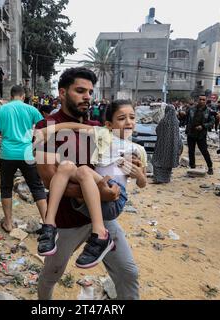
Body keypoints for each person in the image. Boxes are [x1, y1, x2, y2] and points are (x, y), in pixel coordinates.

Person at [34, 67, 140, 300]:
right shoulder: (45, 128)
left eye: (90, 92)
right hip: (66, 221)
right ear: (62, 93)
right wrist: (95, 194)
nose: (87, 97)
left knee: (128, 273)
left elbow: (116, 165)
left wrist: (129, 167)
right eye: (80, 91)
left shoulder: (98, 128)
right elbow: (50, 179)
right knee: (52, 274)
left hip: (100, 218)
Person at [35, 100, 147, 268]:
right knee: (66, 166)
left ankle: (101, 234)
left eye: (132, 117)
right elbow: (72, 126)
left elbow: (142, 183)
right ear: (109, 124)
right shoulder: (103, 134)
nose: (129, 122)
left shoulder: (138, 149)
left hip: (115, 196)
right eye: (122, 118)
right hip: (93, 192)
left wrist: (138, 175)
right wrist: (45, 131)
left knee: (84, 170)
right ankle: (49, 225)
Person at [0, 85, 48, 232]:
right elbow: (44, 132)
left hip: (7, 154)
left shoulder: (1, 110)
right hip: (27, 153)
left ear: (11, 96)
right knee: (37, 187)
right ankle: (48, 225)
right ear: (23, 96)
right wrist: (35, 148)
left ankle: (8, 223)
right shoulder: (31, 110)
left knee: (6, 188)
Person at [151, 105, 183, 184]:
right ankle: (166, 179)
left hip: (162, 146)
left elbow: (157, 130)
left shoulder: (163, 121)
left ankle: (158, 179)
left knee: (158, 160)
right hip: (172, 146)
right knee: (168, 162)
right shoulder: (176, 122)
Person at [185, 96, 215, 175]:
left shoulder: (209, 111)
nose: (201, 101)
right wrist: (181, 114)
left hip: (201, 134)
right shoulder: (191, 109)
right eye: (200, 99)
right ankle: (192, 167)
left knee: (204, 151)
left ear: (206, 101)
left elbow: (212, 122)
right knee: (191, 151)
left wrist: (203, 126)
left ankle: (210, 167)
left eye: (203, 100)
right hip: (191, 133)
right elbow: (185, 116)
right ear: (197, 100)